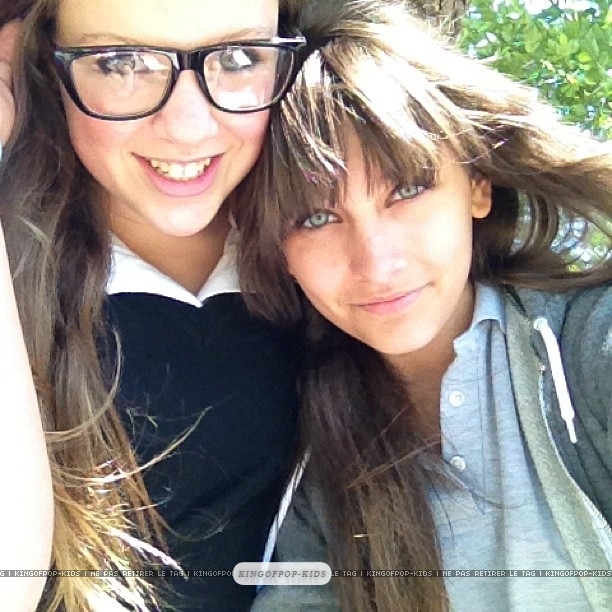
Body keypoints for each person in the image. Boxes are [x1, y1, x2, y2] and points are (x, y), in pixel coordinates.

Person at [234, 1, 612, 610]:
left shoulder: (587, 350)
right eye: (316, 218)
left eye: (407, 190)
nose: (376, 264)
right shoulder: (304, 454)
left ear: (477, 185)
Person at [0, 0, 309, 610]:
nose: (188, 128)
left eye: (238, 58)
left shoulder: (347, 254)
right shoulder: (15, 265)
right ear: (42, 64)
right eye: (121, 63)